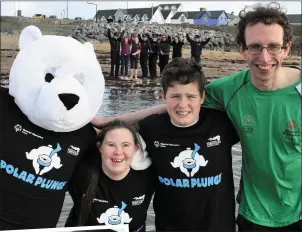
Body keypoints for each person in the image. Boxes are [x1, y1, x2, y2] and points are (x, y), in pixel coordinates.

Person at [92, 2, 301, 231]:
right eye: (255, 47)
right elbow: (181, 103)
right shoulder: (229, 90)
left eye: (273, 46)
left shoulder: (294, 95)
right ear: (243, 49)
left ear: (286, 49)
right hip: (253, 214)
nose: (264, 57)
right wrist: (113, 122)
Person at [94, 58, 239, 231]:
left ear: (203, 97)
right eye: (175, 96)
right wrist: (103, 122)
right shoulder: (150, 128)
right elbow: (112, 138)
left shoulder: (222, 124)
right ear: (163, 96)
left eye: (191, 96)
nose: (182, 105)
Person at [65, 120, 154, 232]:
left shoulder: (148, 175)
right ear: (99, 147)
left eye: (125, 145)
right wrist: (94, 121)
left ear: (136, 149)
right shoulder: (81, 173)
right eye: (111, 145)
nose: (118, 152)